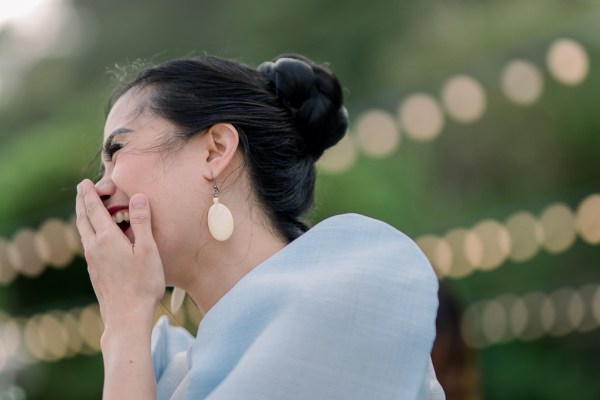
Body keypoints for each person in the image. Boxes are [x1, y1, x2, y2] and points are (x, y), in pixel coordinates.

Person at [75, 54, 444, 400]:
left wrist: (126, 326)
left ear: (215, 150)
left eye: (117, 150)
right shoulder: (171, 375)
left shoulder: (344, 305)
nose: (100, 188)